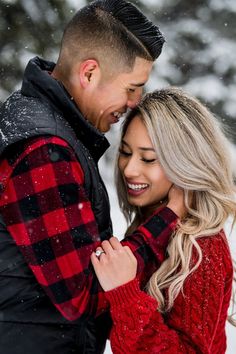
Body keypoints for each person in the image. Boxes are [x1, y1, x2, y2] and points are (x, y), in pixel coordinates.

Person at [0, 1, 186, 354]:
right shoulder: (44, 149)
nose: (135, 102)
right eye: (132, 88)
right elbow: (87, 293)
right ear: (89, 73)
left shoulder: (36, 121)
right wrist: (169, 218)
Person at [91, 87, 236, 353]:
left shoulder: (202, 246)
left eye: (148, 159)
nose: (130, 169)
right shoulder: (152, 228)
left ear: (185, 164)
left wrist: (125, 294)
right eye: (125, 152)